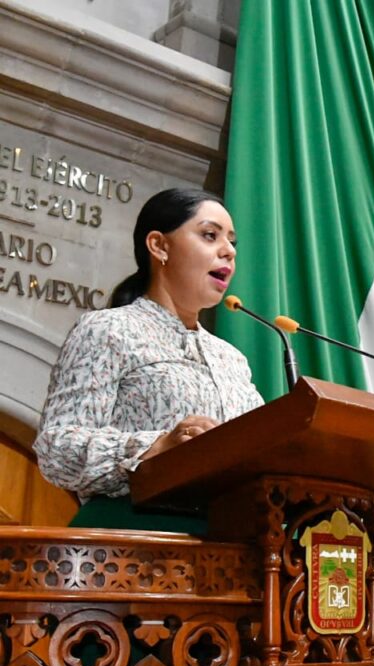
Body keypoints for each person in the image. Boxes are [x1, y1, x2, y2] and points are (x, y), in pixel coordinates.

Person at [33, 188, 264, 533]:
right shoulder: (109, 330)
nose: (228, 251)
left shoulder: (231, 358)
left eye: (232, 242)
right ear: (158, 246)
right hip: (133, 541)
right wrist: (155, 447)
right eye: (209, 235)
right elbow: (57, 449)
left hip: (228, 549)